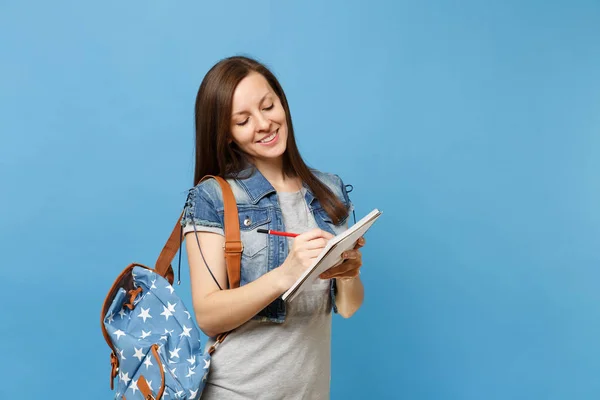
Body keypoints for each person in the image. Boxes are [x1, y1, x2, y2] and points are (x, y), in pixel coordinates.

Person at [181, 55, 366, 399]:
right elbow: (207, 314)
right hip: (234, 390)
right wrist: (285, 275)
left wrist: (348, 273)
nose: (264, 123)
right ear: (228, 135)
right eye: (243, 120)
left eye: (268, 106)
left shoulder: (328, 190)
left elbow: (348, 307)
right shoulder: (213, 197)